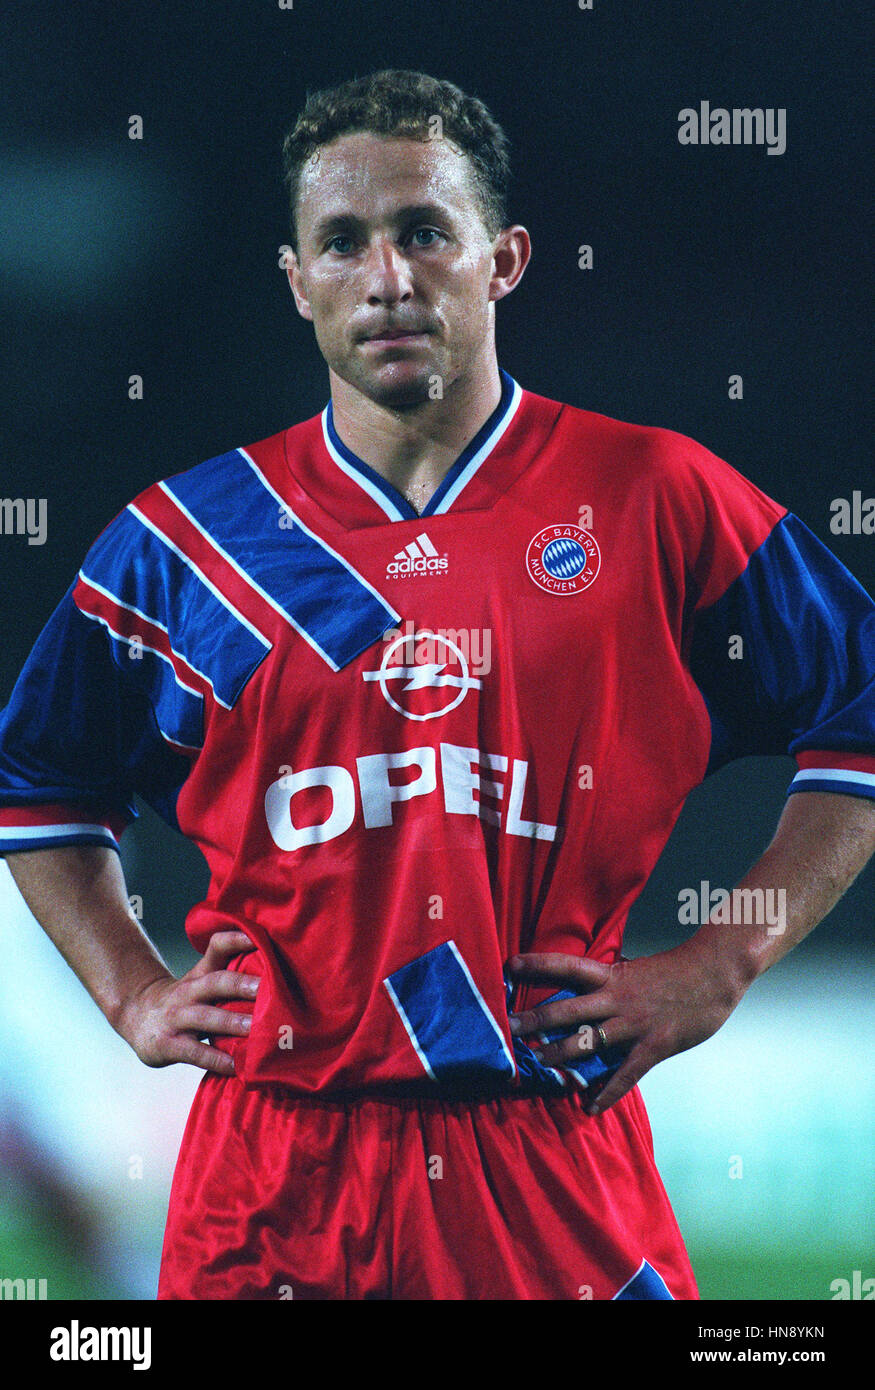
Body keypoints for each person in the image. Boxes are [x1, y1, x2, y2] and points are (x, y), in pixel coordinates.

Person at [1, 69, 873, 1301]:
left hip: (550, 1155)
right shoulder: (184, 541)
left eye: (422, 232)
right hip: (272, 1173)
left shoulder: (651, 496)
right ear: (297, 282)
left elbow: (861, 709)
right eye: (343, 243)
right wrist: (131, 989)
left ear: (503, 257)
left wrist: (714, 961)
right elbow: (40, 778)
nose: (388, 278)